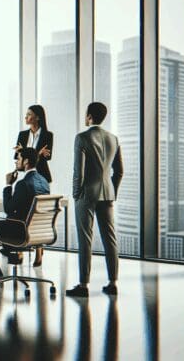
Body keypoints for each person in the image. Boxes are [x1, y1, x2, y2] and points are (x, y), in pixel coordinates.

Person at [67, 102, 123, 298]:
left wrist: (76, 194)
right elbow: (119, 171)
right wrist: (112, 191)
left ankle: (83, 284)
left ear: (89, 116)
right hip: (107, 193)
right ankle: (113, 282)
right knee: (110, 238)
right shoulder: (113, 139)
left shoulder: (82, 138)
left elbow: (78, 171)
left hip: (87, 194)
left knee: (85, 239)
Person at [0, 147, 50, 279]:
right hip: (37, 233)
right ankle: (9, 253)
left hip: (19, 232)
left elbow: (8, 208)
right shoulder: (44, 182)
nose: (16, 162)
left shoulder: (23, 184)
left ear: (26, 161)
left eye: (18, 159)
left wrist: (8, 185)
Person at [14, 104, 53, 266]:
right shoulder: (22, 134)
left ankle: (38, 251)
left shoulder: (47, 135)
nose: (26, 117)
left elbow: (48, 157)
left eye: (29, 114)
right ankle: (19, 248)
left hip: (41, 176)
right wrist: (37, 153)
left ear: (37, 117)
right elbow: (17, 156)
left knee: (39, 215)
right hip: (25, 177)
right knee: (22, 212)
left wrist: (30, 153)